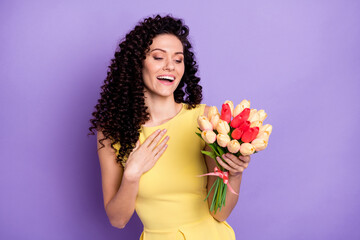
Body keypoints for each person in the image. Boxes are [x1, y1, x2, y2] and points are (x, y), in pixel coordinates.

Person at [88, 14, 251, 240]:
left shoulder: (205, 120)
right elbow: (118, 220)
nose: (170, 67)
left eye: (178, 59)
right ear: (137, 63)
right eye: (158, 57)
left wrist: (234, 174)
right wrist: (132, 175)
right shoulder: (112, 132)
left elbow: (220, 212)